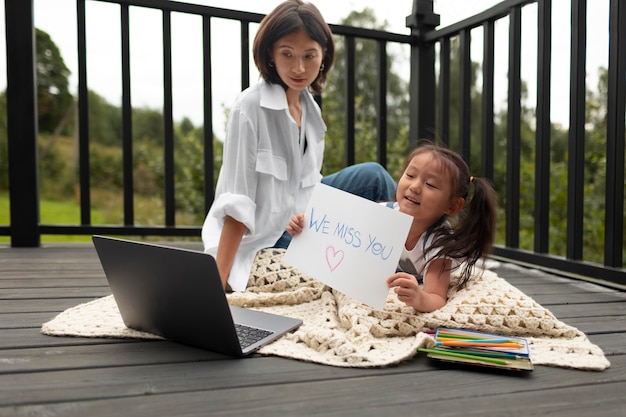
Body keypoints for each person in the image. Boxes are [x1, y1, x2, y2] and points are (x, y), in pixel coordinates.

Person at [202, 0, 396, 292]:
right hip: (267, 238)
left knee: (375, 177)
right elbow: (236, 203)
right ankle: (397, 264)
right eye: (287, 54)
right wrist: (216, 284)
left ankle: (427, 250)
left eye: (309, 55)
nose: (299, 67)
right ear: (270, 53)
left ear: (324, 55)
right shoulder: (250, 107)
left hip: (304, 220)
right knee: (335, 254)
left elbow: (309, 186)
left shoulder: (310, 109)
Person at [287, 141, 498, 312]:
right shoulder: (383, 213)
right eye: (410, 175)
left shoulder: (440, 244)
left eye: (430, 185)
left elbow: (436, 297)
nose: (415, 187)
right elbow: (337, 234)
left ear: (452, 205)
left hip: (413, 276)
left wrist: (419, 298)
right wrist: (305, 226)